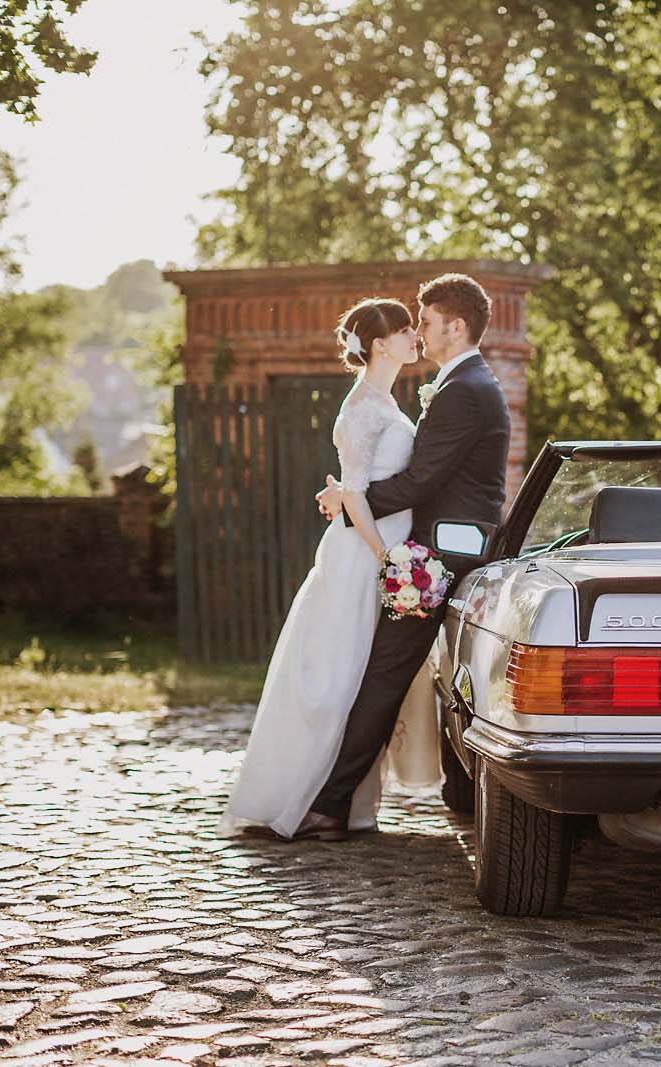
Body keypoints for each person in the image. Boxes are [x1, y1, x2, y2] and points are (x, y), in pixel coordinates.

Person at [297, 272, 511, 842]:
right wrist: (354, 500)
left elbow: (421, 481)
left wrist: (350, 501)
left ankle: (329, 805)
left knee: (386, 672)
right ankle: (341, 799)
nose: (420, 330)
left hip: (442, 553)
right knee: (403, 672)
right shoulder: (461, 383)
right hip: (437, 545)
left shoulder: (466, 390)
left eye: (429, 321)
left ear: (456, 325)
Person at [219, 297, 440, 839]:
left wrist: (342, 497)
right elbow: (360, 493)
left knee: (359, 673)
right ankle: (307, 797)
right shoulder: (362, 406)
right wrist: (386, 558)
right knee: (338, 674)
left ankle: (343, 800)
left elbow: (355, 486)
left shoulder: (384, 402)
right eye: (407, 329)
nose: (416, 336)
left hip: (376, 544)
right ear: (382, 343)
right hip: (363, 556)